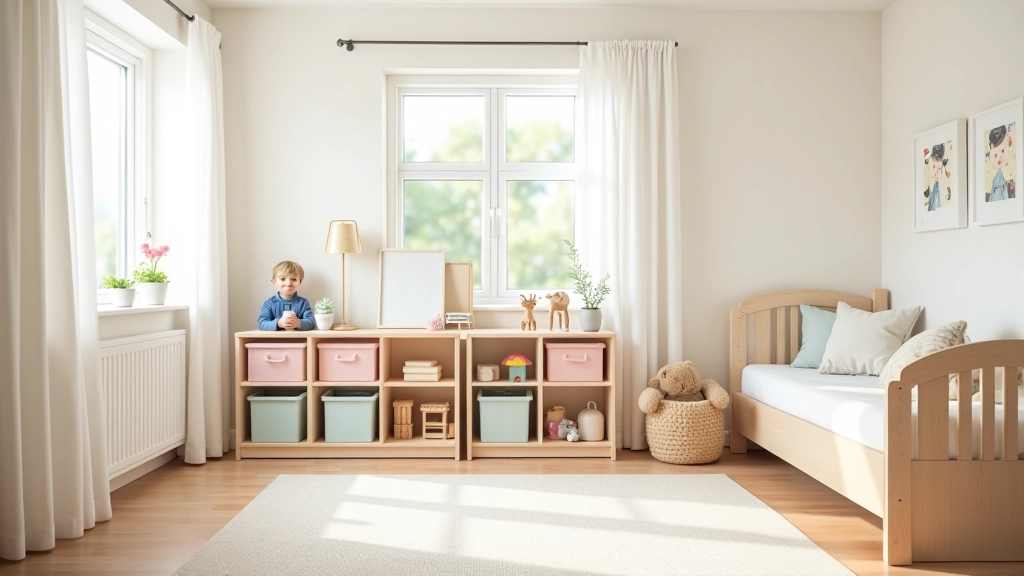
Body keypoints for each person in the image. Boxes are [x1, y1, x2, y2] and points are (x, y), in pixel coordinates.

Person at [258, 261, 315, 331]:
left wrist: (299, 323)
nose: (288, 283)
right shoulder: (269, 303)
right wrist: (279, 323)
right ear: (273, 281)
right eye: (282, 279)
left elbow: (311, 323)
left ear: (300, 281)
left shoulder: (303, 303)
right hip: (275, 340)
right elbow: (261, 323)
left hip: (298, 340)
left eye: (294, 279)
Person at [986, 124, 1014, 202]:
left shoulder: (1005, 172)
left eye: (1002, 151)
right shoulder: (995, 175)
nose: (999, 159)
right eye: (995, 155)